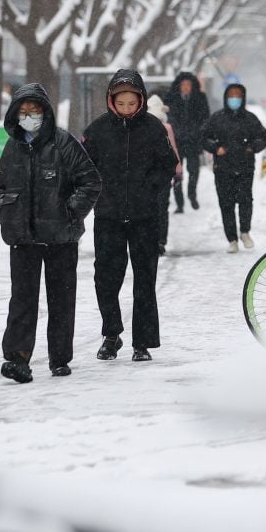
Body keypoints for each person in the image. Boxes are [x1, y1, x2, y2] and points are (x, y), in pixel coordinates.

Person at [0, 83, 101, 383]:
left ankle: (60, 358)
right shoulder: (13, 146)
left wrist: (70, 212)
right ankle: (17, 359)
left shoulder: (64, 143)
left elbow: (90, 181)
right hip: (23, 238)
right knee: (22, 300)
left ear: (46, 112)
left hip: (60, 238)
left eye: (35, 111)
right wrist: (5, 212)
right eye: (23, 111)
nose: (29, 117)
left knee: (61, 300)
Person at [82, 69, 178, 362]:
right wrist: (99, 193)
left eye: (132, 103)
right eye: (121, 103)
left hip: (144, 216)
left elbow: (168, 165)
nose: (126, 109)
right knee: (106, 278)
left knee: (145, 279)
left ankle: (142, 342)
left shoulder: (153, 128)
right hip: (108, 216)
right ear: (111, 101)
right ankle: (111, 334)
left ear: (141, 101)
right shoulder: (97, 130)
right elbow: (84, 169)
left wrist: (150, 189)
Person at [202, 83, 266, 253]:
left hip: (245, 167)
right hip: (223, 167)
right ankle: (232, 239)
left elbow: (263, 137)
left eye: (237, 96)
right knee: (226, 203)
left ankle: (245, 232)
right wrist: (215, 148)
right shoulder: (217, 118)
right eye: (231, 96)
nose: (234, 99)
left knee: (245, 200)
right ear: (226, 98)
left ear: (243, 98)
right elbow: (203, 137)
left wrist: (252, 147)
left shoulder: (250, 119)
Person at [165, 71, 210, 212]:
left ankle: (192, 194)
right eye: (183, 84)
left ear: (193, 86)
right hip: (176, 142)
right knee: (177, 173)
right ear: (178, 85)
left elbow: (205, 118)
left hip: (193, 142)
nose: (185, 87)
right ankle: (179, 203)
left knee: (194, 171)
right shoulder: (171, 98)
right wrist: (176, 132)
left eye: (188, 84)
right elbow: (167, 118)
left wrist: (197, 133)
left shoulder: (200, 98)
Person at [146, 94, 182, 256]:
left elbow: (173, 149)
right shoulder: (160, 128)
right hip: (156, 174)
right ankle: (157, 240)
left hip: (157, 174)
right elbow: (174, 149)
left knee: (157, 208)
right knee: (158, 209)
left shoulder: (165, 128)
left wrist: (177, 170)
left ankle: (158, 240)